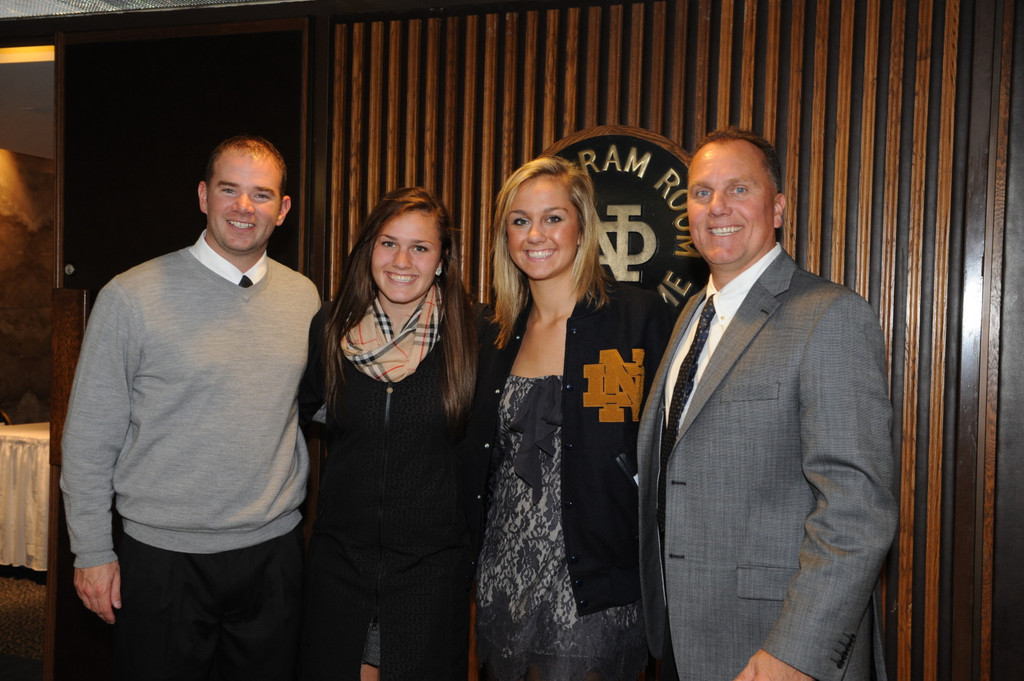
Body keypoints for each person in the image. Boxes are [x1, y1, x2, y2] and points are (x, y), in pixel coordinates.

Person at [636, 127, 898, 681]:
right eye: (702, 193)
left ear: (777, 208)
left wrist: (795, 652)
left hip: (778, 649)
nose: (717, 207)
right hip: (686, 639)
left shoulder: (829, 315)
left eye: (739, 189)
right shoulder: (690, 316)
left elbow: (856, 512)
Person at [60, 134, 320, 679]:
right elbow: (88, 439)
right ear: (204, 196)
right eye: (230, 190)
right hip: (161, 561)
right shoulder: (130, 297)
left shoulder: (306, 298)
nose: (244, 208)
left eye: (262, 194)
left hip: (273, 554)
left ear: (284, 208)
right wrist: (90, 552)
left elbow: (309, 408)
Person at [462, 156, 673, 680]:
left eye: (553, 218)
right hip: (502, 583)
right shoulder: (491, 333)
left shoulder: (640, 318)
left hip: (598, 587)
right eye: (519, 220)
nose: (536, 234)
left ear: (582, 227)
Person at [297, 187, 478, 681]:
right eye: (388, 243)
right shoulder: (330, 329)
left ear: (442, 260)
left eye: (420, 247)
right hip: (340, 567)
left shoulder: (475, 334)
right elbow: (302, 413)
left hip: (431, 574)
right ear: (368, 251)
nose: (402, 260)